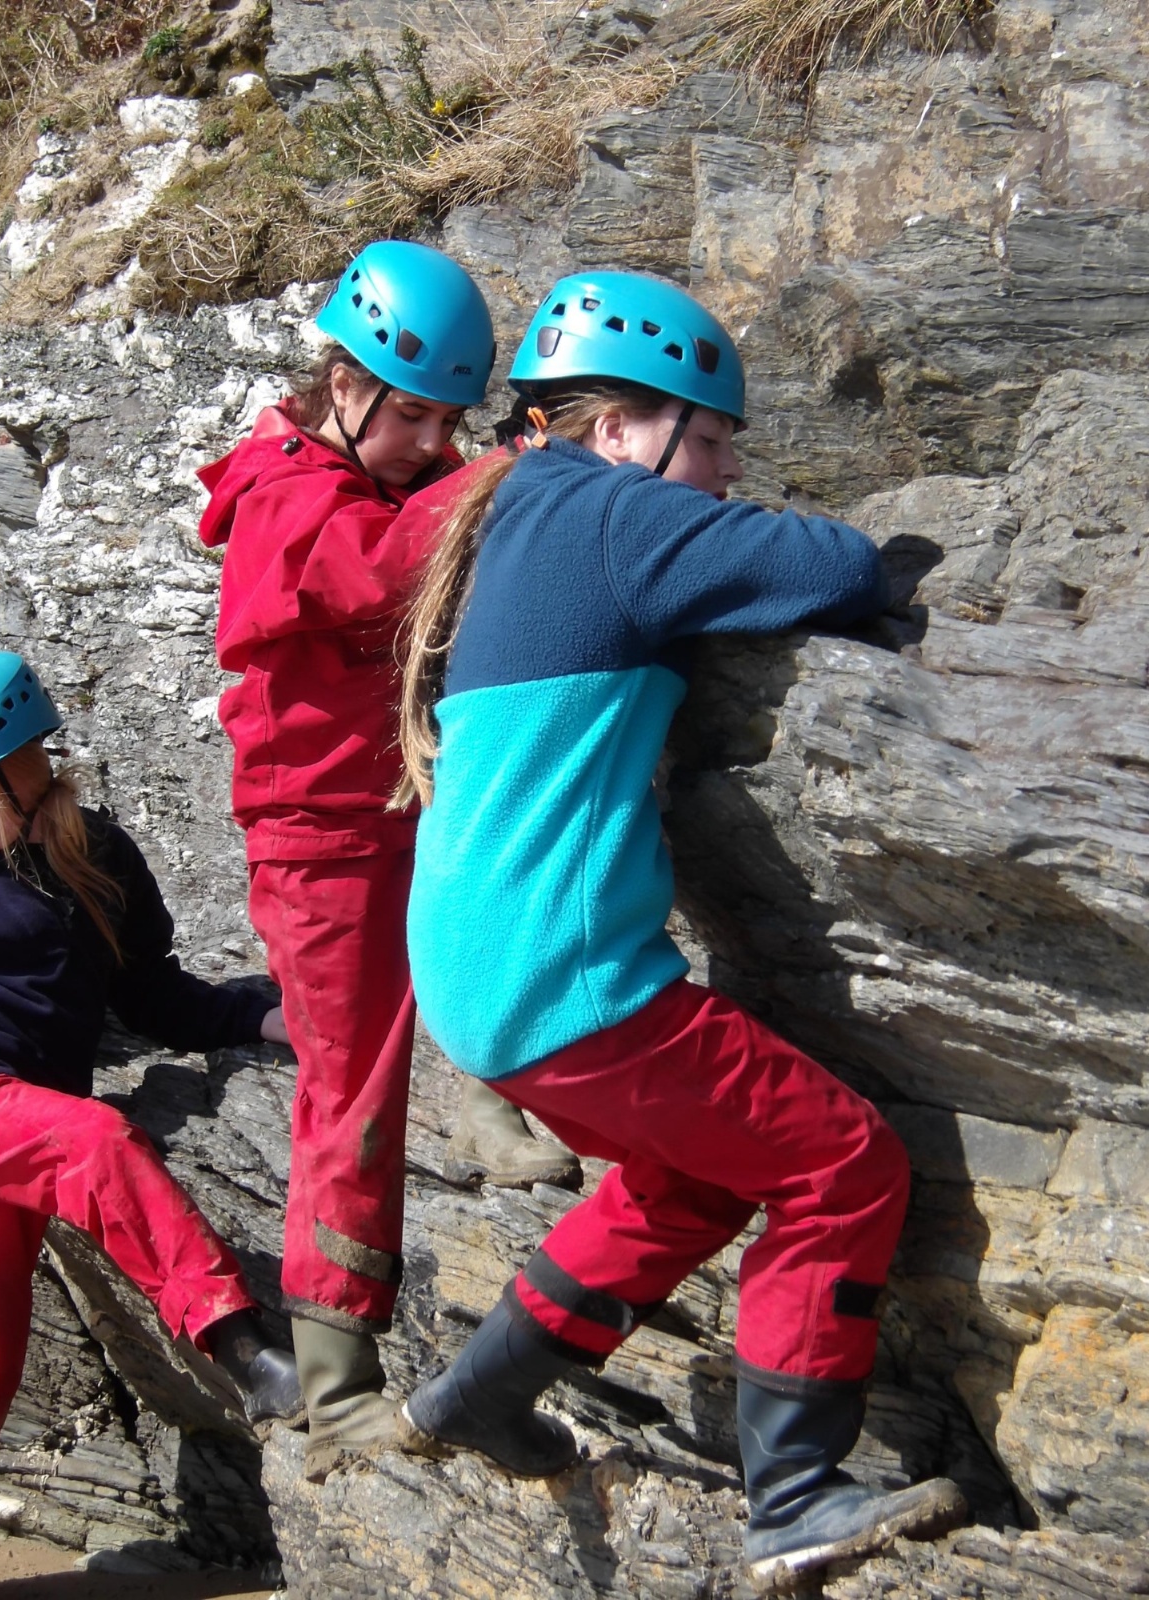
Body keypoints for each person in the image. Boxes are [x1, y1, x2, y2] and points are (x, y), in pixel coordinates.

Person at [393, 272, 968, 1581]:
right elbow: (830, 564)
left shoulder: (533, 507)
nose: (725, 469)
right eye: (708, 439)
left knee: (693, 1179)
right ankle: (797, 1495)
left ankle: (479, 1393)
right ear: (620, 430)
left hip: (484, 979)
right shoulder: (612, 514)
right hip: (568, 980)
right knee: (843, 1166)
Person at [197, 240, 580, 1484]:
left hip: (404, 803)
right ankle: (335, 1388)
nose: (429, 441)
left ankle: (489, 1094)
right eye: (410, 413)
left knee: (507, 935)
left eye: (447, 421)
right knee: (350, 1089)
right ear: (344, 382)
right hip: (318, 842)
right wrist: (506, 470)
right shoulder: (283, 495)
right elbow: (373, 566)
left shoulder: (372, 472)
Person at [0, 650, 304, 1600]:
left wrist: (262, 1019)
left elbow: (151, 994)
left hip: (9, 1134)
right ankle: (243, 1352)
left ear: (27, 771)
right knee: (93, 1143)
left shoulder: (100, 857)